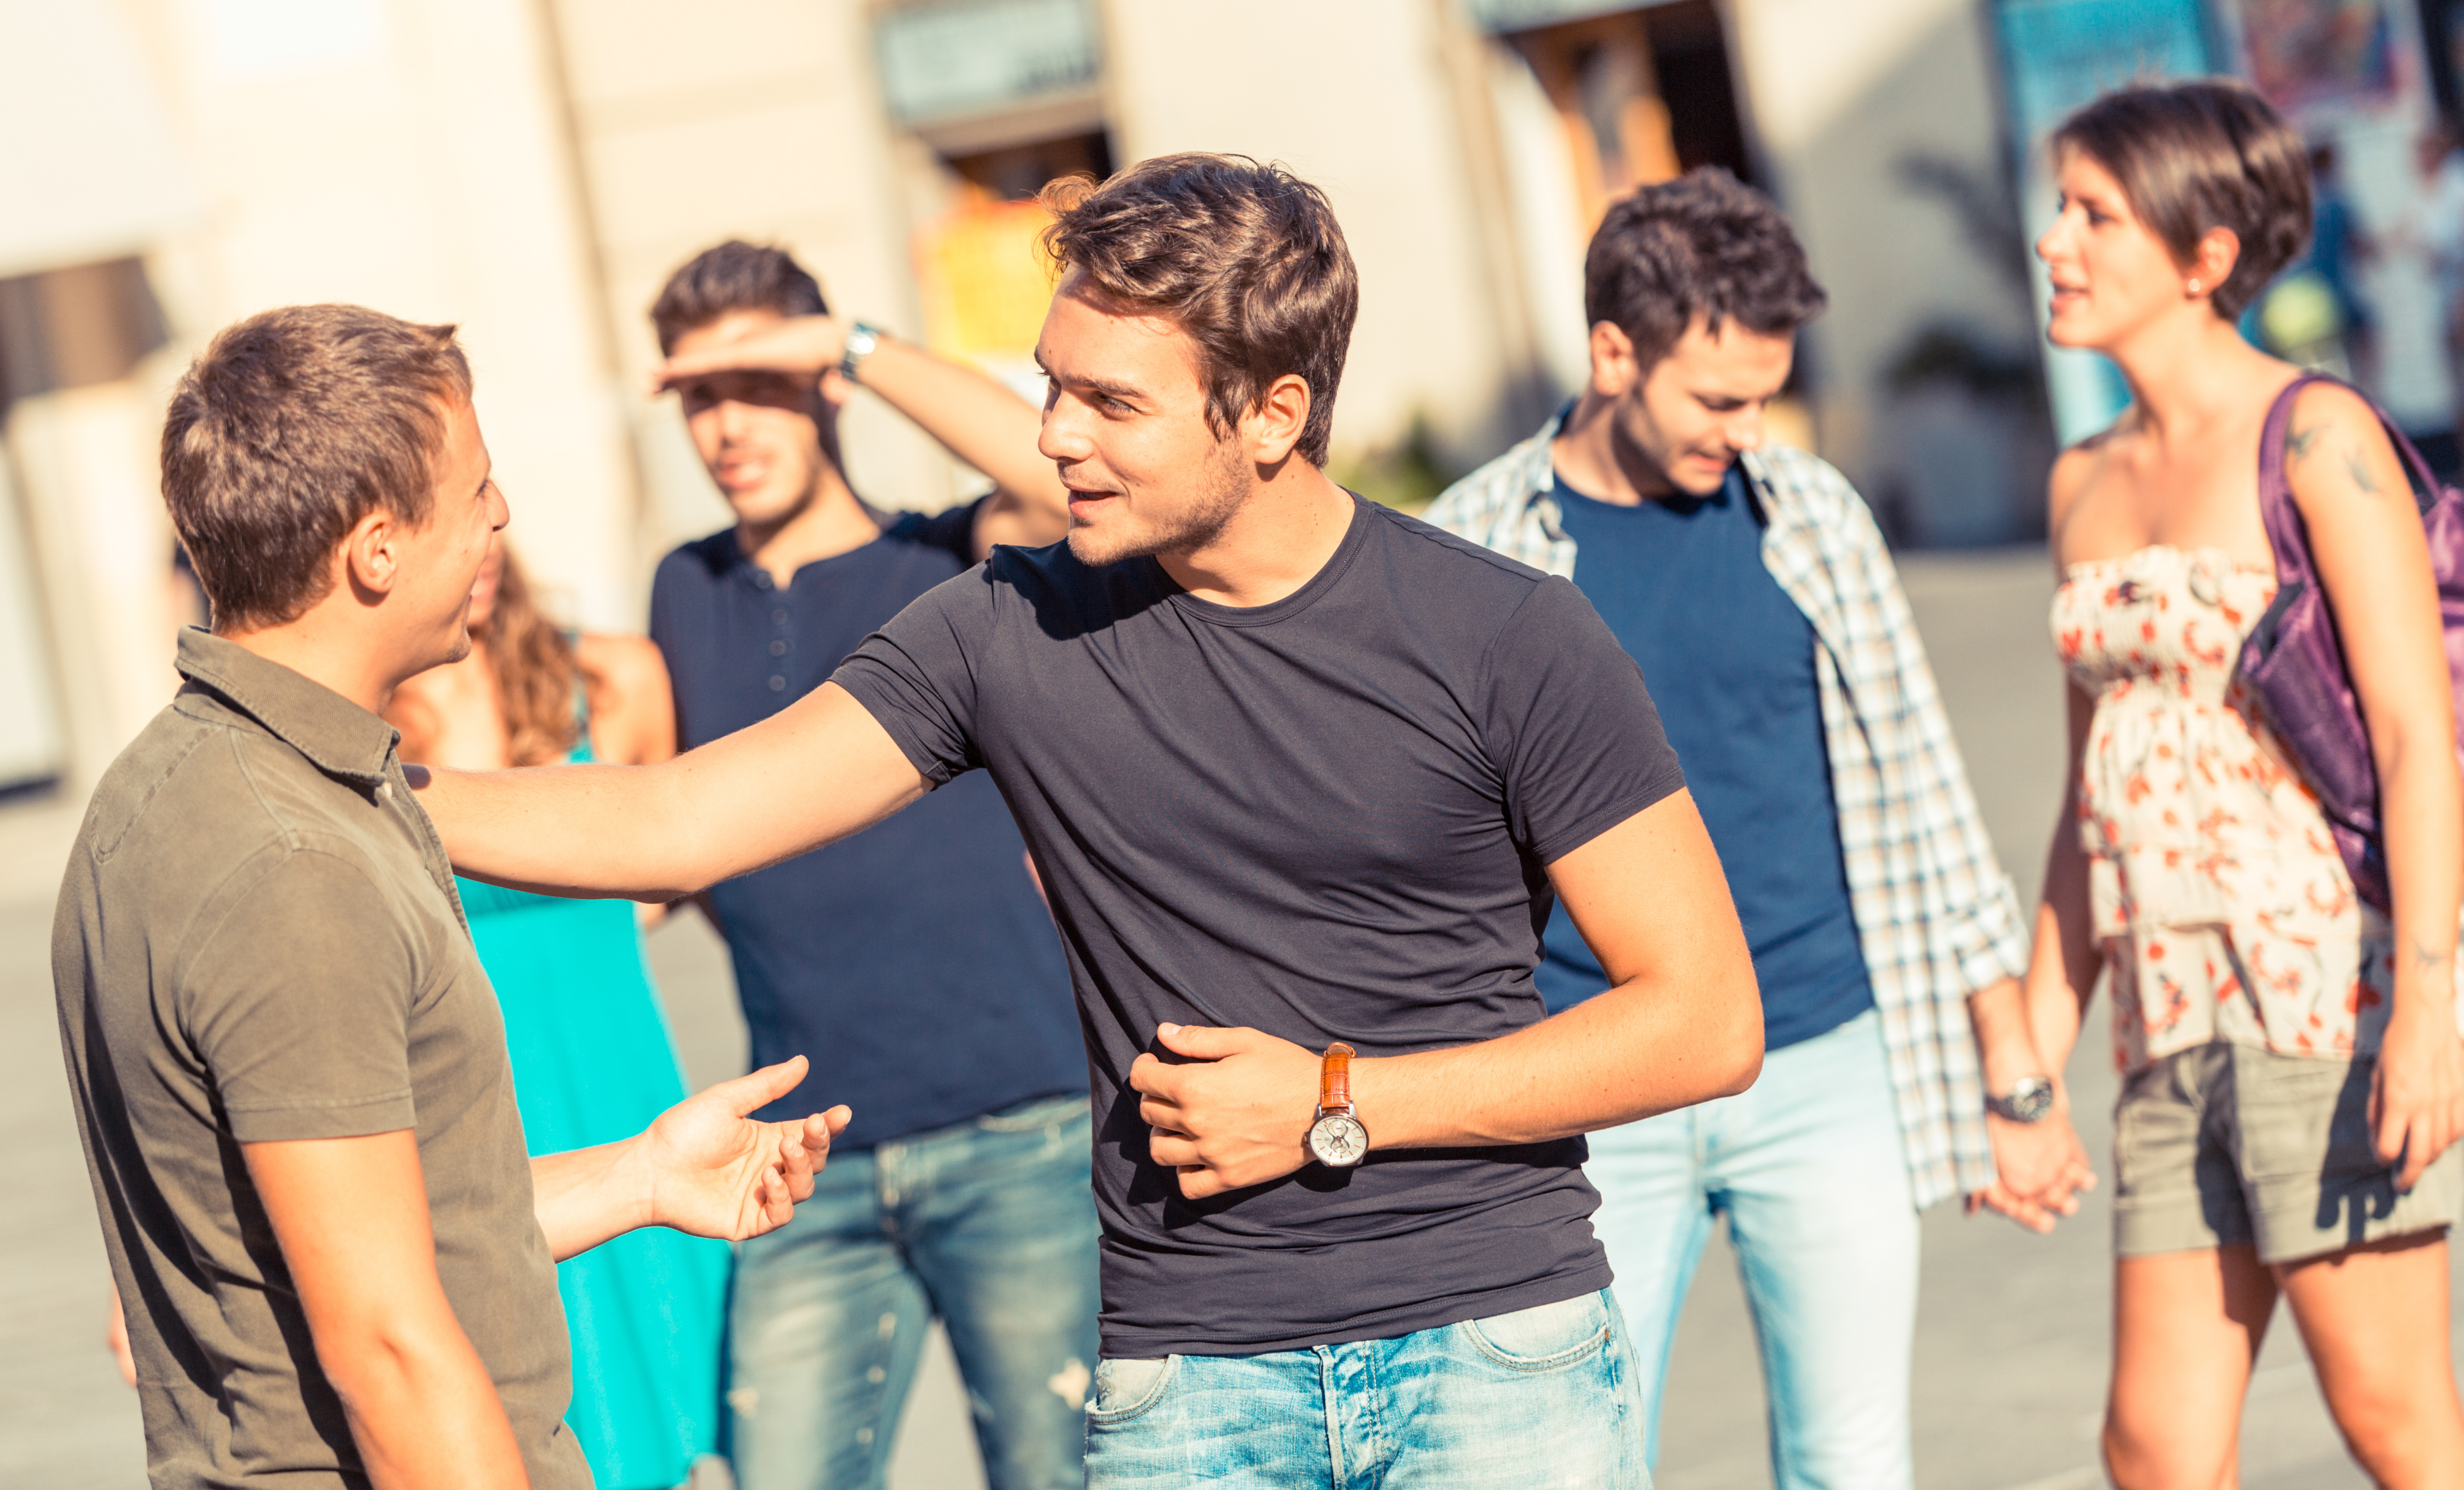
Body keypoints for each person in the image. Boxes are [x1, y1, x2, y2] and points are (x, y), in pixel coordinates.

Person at [416, 153, 1766, 1489]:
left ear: (1272, 414)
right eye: (1050, 384)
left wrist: (1334, 1101)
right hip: (1188, 1381)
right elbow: (675, 817)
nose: (1054, 432)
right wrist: (337, 772)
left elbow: (1701, 1013)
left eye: (1108, 401)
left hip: (1496, 1351)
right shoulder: (1004, 629)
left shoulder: (1509, 634)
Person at [52, 303, 844, 1490]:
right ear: (375, 548)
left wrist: (638, 1174)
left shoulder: (190, 785)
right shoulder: (290, 861)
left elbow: (365, 1228)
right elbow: (390, 1350)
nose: (502, 516)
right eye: (476, 487)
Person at [1423, 167, 2081, 1489]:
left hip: (1824, 1057)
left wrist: (2012, 1072)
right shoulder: (1470, 547)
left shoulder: (1811, 514)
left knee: (1851, 1461)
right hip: (1586, 1081)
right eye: (1717, 397)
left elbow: (1924, 790)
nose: (1748, 426)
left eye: (1767, 392)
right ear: (1613, 351)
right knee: (1567, 1464)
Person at [2027, 79, 2464, 1488]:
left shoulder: (2315, 435)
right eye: (2058, 208)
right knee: (2151, 1446)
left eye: (2093, 214)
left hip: (2318, 997)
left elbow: (2412, 734)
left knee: (2394, 1424)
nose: (2054, 242)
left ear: (2203, 255)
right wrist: (2029, 1053)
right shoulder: (2076, 481)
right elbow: (2082, 785)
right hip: (2163, 1017)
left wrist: (2427, 1011)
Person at [641, 240, 1094, 1490]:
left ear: (821, 383)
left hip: (1020, 1124)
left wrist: (845, 341)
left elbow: (1057, 479)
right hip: (799, 1154)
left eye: (759, 381)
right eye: (699, 395)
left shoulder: (951, 556)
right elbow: (667, 834)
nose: (728, 424)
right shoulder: (683, 589)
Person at [389, 538, 728, 1490]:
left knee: (672, 1407)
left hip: (618, 1077)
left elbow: (666, 864)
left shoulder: (613, 677)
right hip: (481, 1106)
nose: (477, 543)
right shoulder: (360, 726)